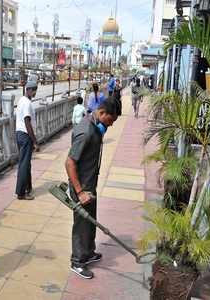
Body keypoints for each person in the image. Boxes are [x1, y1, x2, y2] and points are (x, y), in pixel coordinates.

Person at [65, 99, 119, 279]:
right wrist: (79, 192)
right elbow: (70, 162)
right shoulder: (86, 131)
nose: (109, 126)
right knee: (81, 224)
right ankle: (77, 261)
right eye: (109, 121)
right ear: (101, 113)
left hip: (90, 185)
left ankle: (88, 252)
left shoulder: (96, 127)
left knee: (90, 221)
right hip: (82, 188)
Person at [15, 81, 39, 200]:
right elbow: (27, 121)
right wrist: (34, 141)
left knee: (26, 163)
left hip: (20, 134)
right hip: (25, 136)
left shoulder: (21, 101)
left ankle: (28, 187)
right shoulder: (27, 103)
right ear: (28, 90)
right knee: (24, 164)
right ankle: (21, 192)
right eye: (34, 90)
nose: (35, 93)